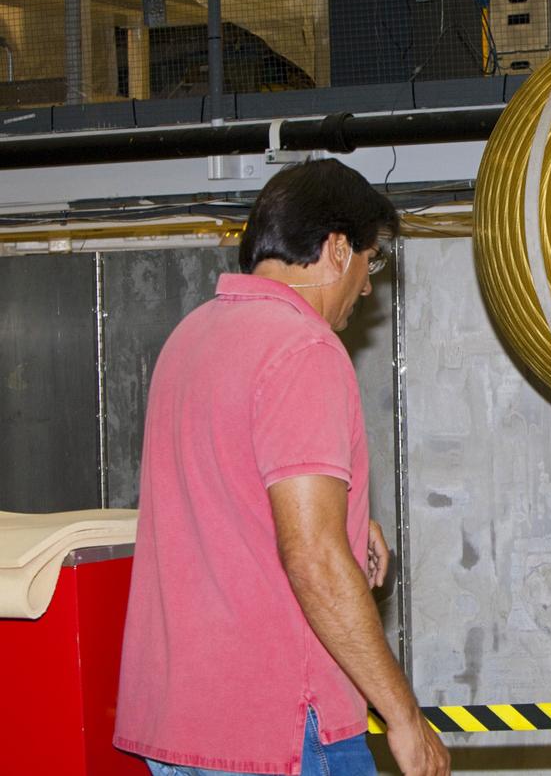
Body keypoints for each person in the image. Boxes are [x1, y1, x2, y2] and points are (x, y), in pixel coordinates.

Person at [114, 159, 449, 776]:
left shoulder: (192, 336)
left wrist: (348, 520)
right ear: (338, 249)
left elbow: (230, 500)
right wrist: (403, 716)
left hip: (180, 722)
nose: (369, 286)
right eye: (370, 263)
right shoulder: (303, 346)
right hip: (280, 731)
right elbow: (314, 558)